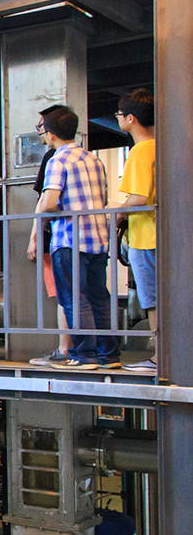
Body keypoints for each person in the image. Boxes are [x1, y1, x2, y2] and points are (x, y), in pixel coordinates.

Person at [34, 105, 120, 370]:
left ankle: (85, 355)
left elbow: (49, 203)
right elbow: (103, 198)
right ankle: (109, 356)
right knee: (99, 298)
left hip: (69, 239)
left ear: (50, 134)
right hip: (98, 239)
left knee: (74, 299)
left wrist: (42, 214)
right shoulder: (94, 159)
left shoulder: (57, 160)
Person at [27, 105, 72, 366]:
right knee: (76, 294)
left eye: (41, 127)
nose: (40, 133)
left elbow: (44, 201)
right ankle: (81, 350)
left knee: (63, 293)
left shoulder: (53, 158)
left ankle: (65, 349)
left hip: (58, 237)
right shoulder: (85, 157)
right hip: (84, 239)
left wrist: (34, 237)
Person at [116, 89, 156, 372]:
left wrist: (116, 215)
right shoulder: (162, 146)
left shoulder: (140, 151)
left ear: (131, 118)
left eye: (119, 114)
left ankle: (160, 357)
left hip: (145, 236)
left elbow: (139, 197)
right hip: (164, 234)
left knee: (152, 300)